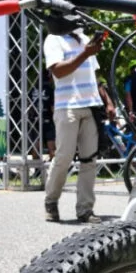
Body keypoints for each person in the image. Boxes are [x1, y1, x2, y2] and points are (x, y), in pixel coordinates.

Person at [42, 12, 106, 222]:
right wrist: (85, 54)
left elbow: (94, 75)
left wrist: (109, 101)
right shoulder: (54, 39)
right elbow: (58, 72)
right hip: (67, 106)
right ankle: (51, 201)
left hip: (91, 105)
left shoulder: (85, 39)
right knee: (64, 157)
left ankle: (85, 209)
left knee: (90, 160)